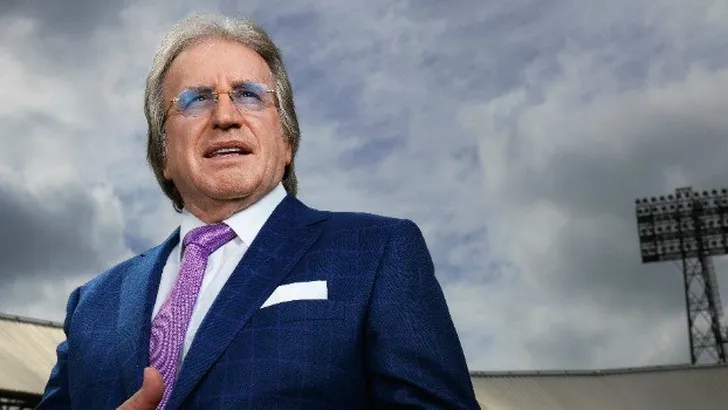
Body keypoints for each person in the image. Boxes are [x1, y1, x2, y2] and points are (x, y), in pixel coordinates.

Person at [37, 12, 480, 409]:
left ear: (287, 142)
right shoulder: (93, 304)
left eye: (249, 95)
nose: (225, 116)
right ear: (163, 152)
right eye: (196, 99)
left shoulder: (377, 253)